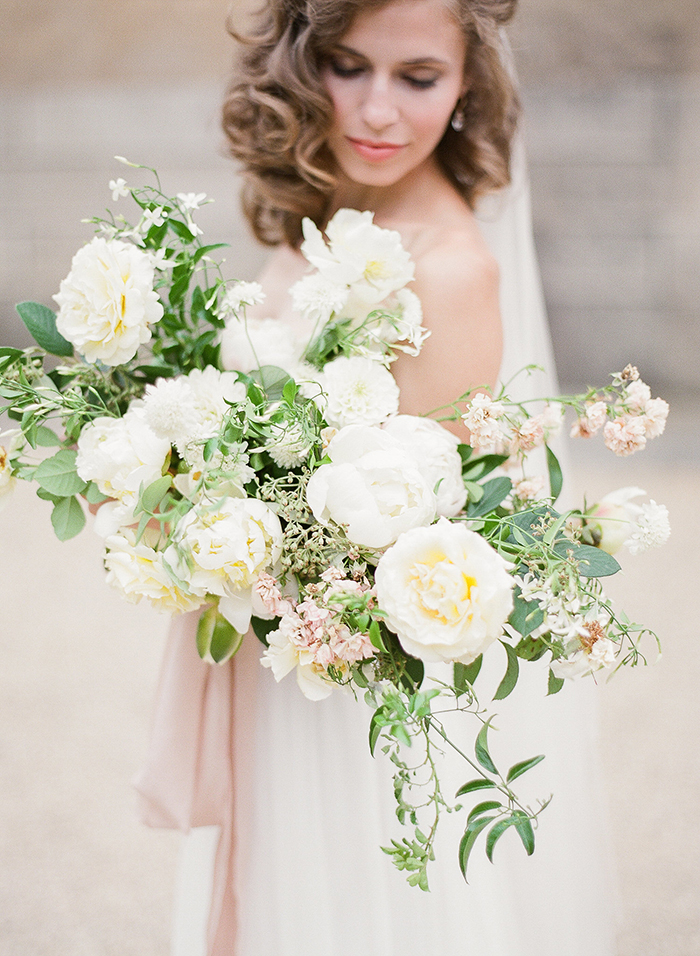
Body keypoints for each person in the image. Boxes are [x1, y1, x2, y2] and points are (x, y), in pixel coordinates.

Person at [136, 1, 617, 953]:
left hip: (349, 688)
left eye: (418, 78)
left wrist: (227, 524)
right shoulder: (337, 213)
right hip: (283, 658)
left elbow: (416, 545)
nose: (376, 111)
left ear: (469, 85)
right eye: (347, 66)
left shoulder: (448, 270)